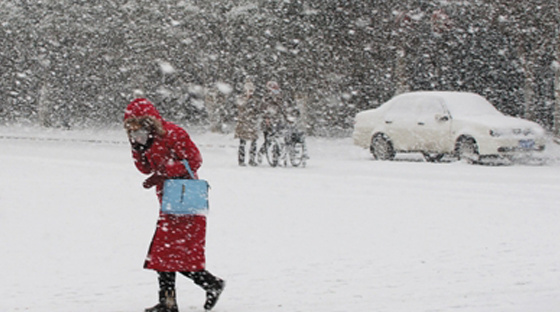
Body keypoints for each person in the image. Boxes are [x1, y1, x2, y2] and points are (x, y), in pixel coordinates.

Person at [123, 98, 225, 312]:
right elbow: (143, 168)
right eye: (130, 126)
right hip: (169, 201)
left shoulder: (172, 133)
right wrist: (138, 148)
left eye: (137, 123)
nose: (134, 129)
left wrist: (164, 172)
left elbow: (195, 160)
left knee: (168, 253)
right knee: (166, 254)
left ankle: (203, 288)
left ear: (149, 120)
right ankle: (178, 298)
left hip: (186, 199)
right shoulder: (145, 139)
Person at [258, 81, 287, 158]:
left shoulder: (280, 98)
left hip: (278, 121)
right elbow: (262, 109)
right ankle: (262, 153)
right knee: (269, 140)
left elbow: (283, 108)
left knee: (280, 137)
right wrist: (266, 118)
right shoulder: (266, 99)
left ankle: (278, 154)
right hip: (268, 122)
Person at [234, 80, 260, 166]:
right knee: (242, 142)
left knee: (254, 142)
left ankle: (252, 159)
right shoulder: (241, 98)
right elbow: (240, 107)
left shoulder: (256, 99)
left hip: (252, 123)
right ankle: (241, 160)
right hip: (243, 123)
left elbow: (258, 109)